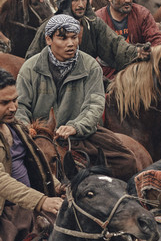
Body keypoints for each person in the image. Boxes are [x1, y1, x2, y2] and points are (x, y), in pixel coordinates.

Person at [17, 15, 140, 179]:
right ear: (48, 39)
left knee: (127, 161)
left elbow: (94, 105)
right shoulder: (30, 68)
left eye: (74, 37)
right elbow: (20, 105)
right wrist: (27, 129)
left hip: (79, 135)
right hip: (38, 137)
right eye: (63, 38)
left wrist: (76, 126)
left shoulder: (90, 66)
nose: (70, 43)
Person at [0, 70, 59, 241]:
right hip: (4, 211)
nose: (13, 107)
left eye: (15, 100)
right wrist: (42, 201)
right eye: (5, 102)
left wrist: (57, 185)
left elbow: (34, 162)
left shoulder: (15, 127)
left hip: (27, 205)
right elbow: (2, 181)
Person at [25, 0, 145, 75]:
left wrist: (137, 52)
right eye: (75, 0)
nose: (81, 5)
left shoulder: (93, 24)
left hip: (87, 81)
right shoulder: (49, 27)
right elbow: (32, 62)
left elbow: (116, 45)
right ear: (65, 2)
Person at [93, 0, 161, 80]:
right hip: (108, 75)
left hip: (141, 72)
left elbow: (157, 42)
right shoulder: (98, 19)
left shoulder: (142, 14)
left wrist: (147, 53)